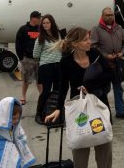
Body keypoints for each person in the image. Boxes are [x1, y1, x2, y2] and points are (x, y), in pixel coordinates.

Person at [45, 27, 113, 168]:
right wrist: (58, 108)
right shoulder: (66, 62)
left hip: (99, 106)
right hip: (79, 111)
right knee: (80, 153)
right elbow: (62, 87)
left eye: (89, 38)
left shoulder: (95, 54)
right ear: (76, 44)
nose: (90, 42)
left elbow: (109, 75)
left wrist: (89, 86)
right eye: (86, 39)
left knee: (104, 152)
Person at [90, 7, 124, 119]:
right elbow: (93, 46)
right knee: (104, 90)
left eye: (111, 15)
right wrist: (105, 56)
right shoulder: (96, 29)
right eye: (107, 15)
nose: (110, 17)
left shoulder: (119, 28)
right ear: (102, 16)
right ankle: (103, 113)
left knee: (118, 88)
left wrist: (122, 53)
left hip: (117, 64)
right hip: (103, 65)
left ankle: (120, 111)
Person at [0, 97, 36, 168]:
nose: (16, 121)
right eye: (13, 118)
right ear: (5, 117)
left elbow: (20, 137)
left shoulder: (15, 126)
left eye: (18, 118)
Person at [33, 14, 62, 125]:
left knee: (58, 90)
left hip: (58, 65)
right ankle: (39, 114)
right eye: (43, 23)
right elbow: (35, 54)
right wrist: (48, 54)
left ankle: (55, 113)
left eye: (47, 22)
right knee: (46, 91)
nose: (45, 25)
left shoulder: (58, 35)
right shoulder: (40, 38)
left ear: (52, 23)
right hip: (46, 67)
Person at [15, 11, 42, 105]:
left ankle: (42, 97)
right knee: (26, 80)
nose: (40, 20)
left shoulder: (41, 30)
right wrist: (21, 57)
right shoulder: (23, 29)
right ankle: (23, 96)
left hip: (39, 59)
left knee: (40, 80)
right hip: (27, 59)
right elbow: (18, 44)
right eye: (39, 18)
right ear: (33, 18)